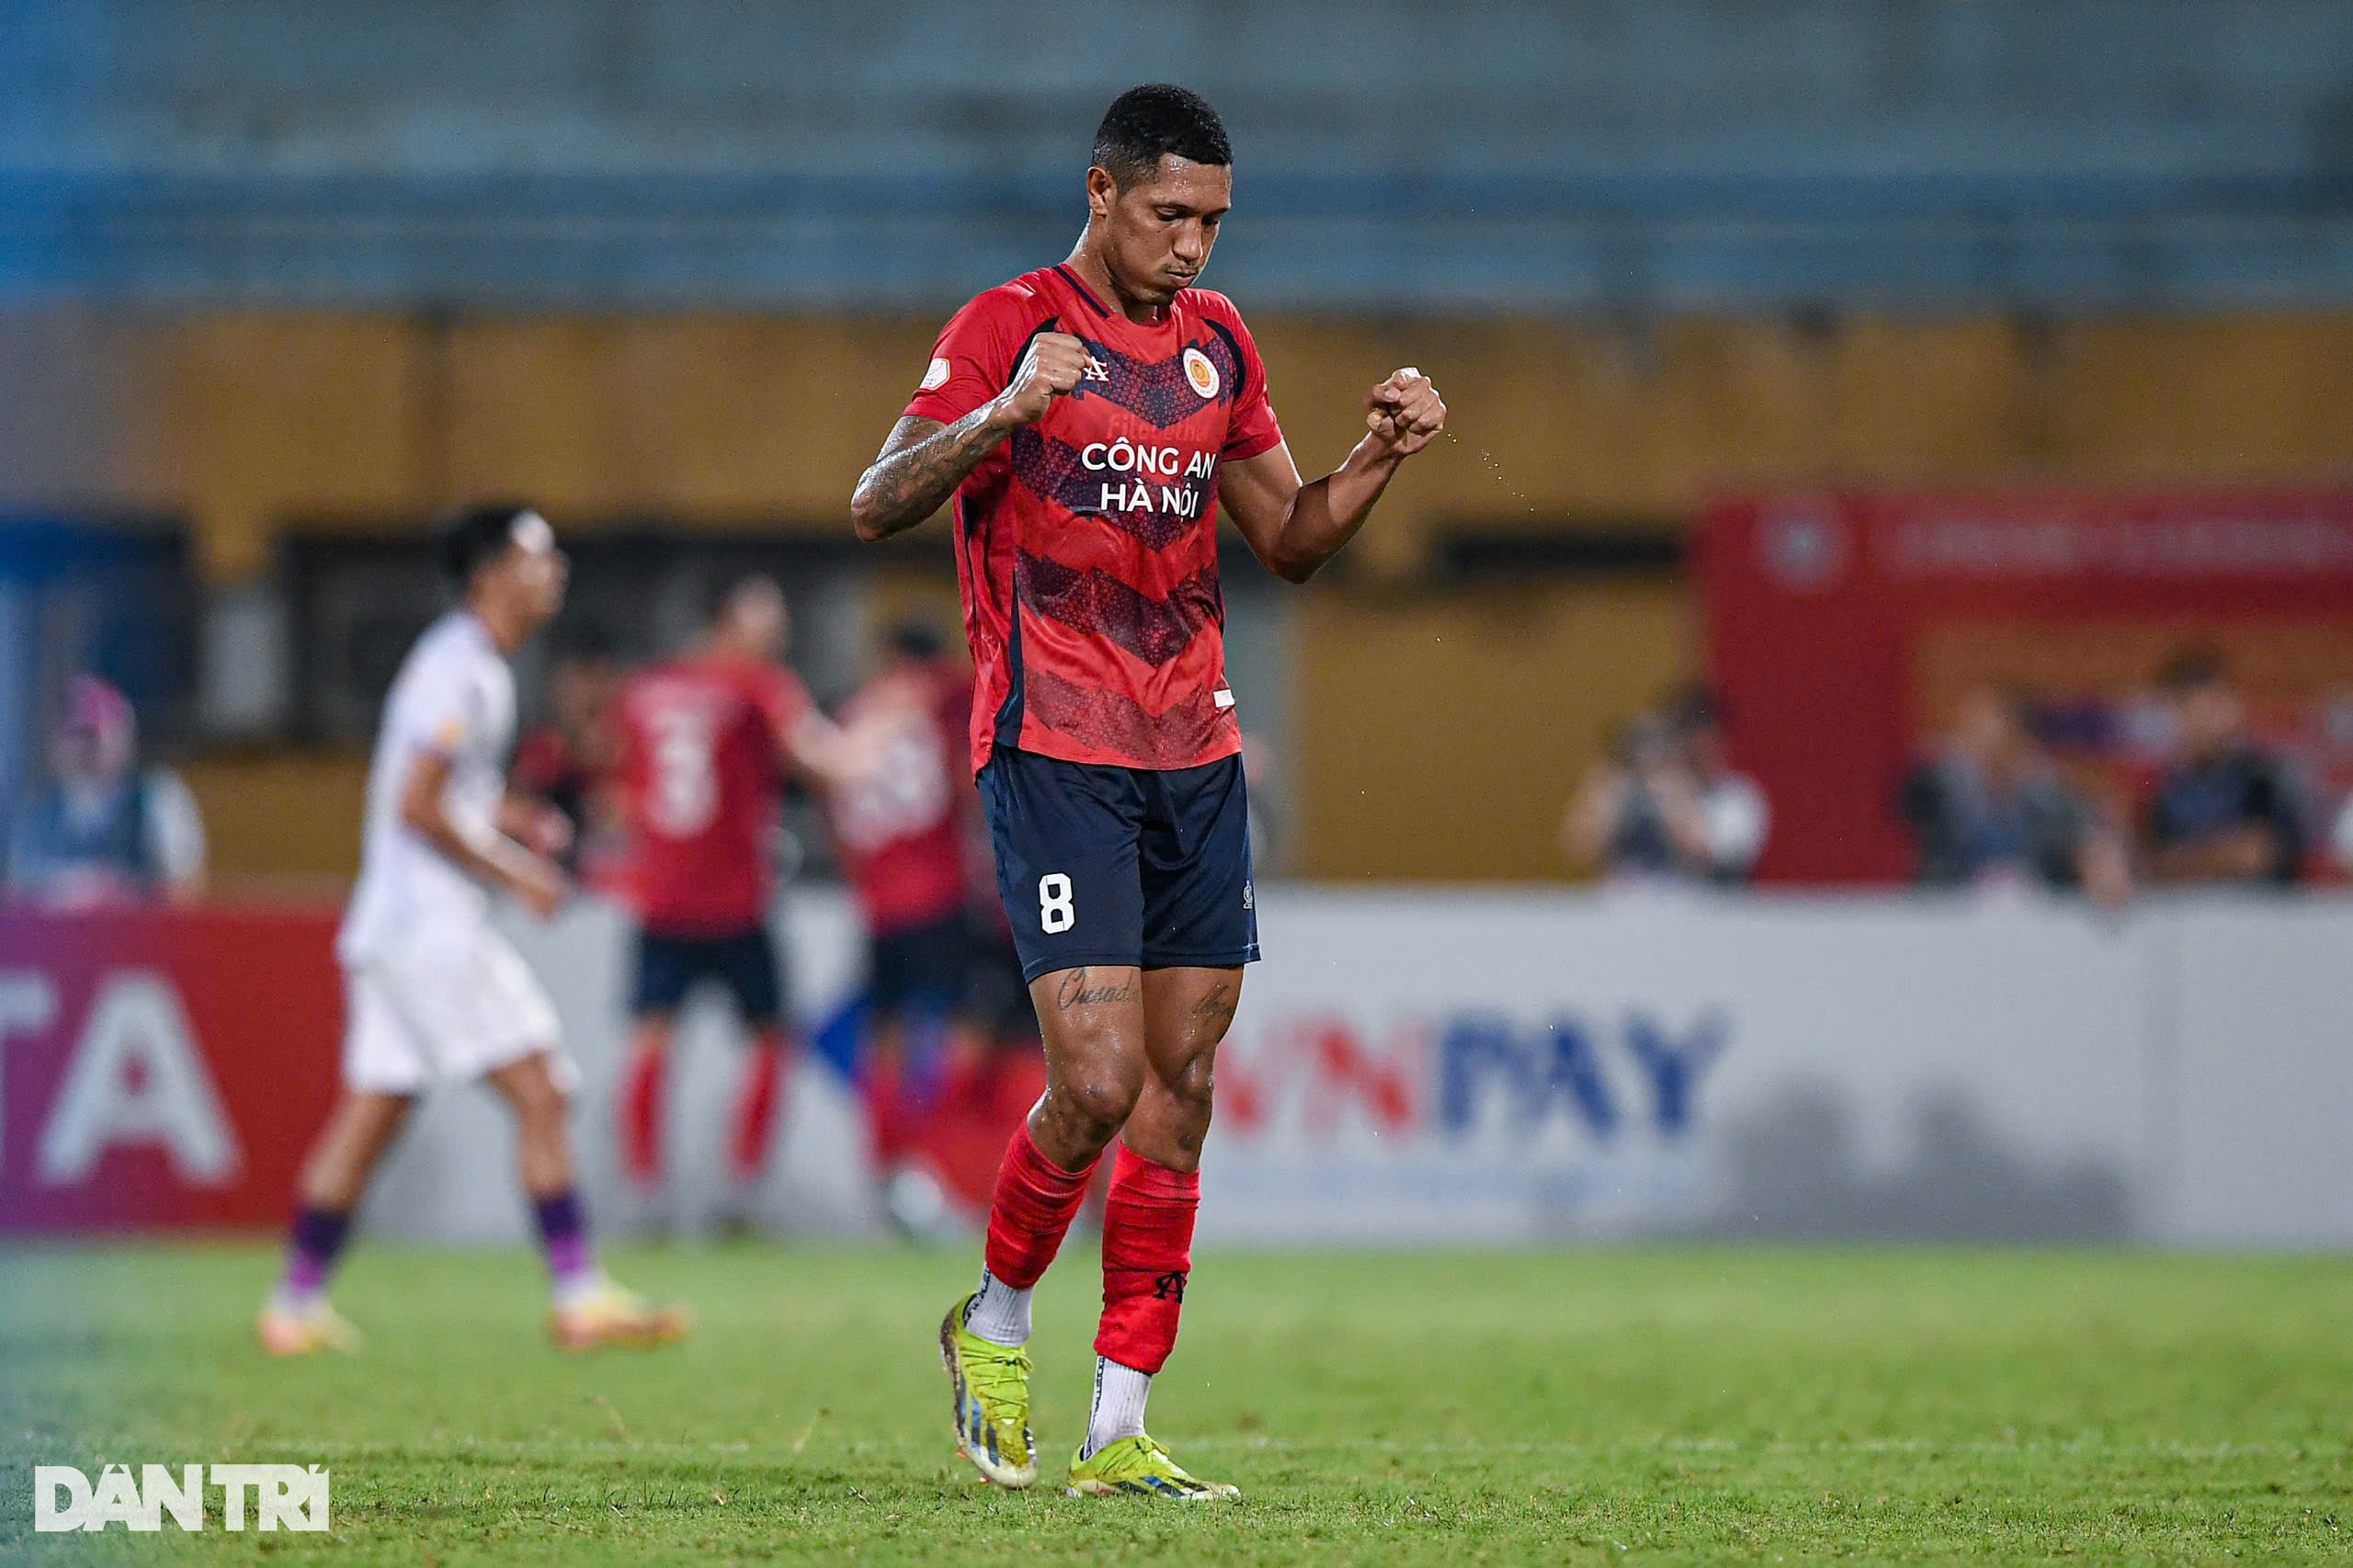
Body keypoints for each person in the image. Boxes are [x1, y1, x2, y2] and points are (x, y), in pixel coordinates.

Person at [849, 84, 1445, 1500]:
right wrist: (1008, 410)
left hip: (1196, 750)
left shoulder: (1220, 341)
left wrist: (1377, 456)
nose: (1195, 247)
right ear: (1103, 191)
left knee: (1181, 1082)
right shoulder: (1008, 323)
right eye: (1172, 216)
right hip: (1054, 746)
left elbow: (1290, 540)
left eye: (1216, 223)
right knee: (1099, 1080)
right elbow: (875, 499)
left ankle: (1121, 1423)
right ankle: (993, 1316)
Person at [259, 503, 685, 1356]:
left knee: (372, 1113)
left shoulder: (465, 666)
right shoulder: (464, 672)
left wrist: (518, 817)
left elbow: (442, 790)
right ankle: (579, 1297)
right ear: (491, 574)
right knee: (544, 1091)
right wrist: (518, 869)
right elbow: (417, 807)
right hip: (429, 928)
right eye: (538, 554)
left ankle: (292, 1308)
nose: (554, 567)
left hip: (390, 927)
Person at [608, 574, 874, 1205]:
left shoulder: (646, 691)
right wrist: (887, 723)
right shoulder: (759, 687)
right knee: (770, 1039)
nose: (777, 628)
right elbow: (829, 766)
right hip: (733, 902)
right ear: (729, 619)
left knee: (652, 1039)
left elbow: (619, 794)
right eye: (766, 614)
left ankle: (644, 1194)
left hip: (661, 898)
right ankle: (741, 1188)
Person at [822, 620, 986, 1221]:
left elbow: (837, 812)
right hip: (939, 893)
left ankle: (888, 1170)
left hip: (879, 904)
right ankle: (925, 1163)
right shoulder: (939, 693)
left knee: (883, 1040)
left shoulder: (853, 715)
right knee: (958, 1031)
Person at [1897, 684, 2131, 906]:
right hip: (1955, 915)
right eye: (1966, 722)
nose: (1967, 731)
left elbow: (2091, 836)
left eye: (1981, 721)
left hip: (2039, 916)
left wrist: (2101, 858)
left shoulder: (2051, 793)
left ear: (2015, 729)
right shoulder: (1941, 784)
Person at [7, 674, 207, 906]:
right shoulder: (38, 814)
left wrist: (114, 893)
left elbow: (185, 890)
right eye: (77, 734)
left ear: (124, 738)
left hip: (136, 938)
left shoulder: (156, 796)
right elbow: (17, 898)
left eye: (99, 735)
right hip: (57, 941)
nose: (89, 748)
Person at [1563, 688, 1768, 885]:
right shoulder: (1631, 787)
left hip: (1701, 913)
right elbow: (1580, 848)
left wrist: (1672, 792)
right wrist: (1611, 783)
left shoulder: (1734, 796)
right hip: (1623, 912)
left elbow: (1703, 855)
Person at [2143, 649, 2304, 886]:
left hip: (2260, 916)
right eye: (2190, 712)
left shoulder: (2265, 777)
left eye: (2213, 709)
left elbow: (2259, 855)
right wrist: (2221, 856)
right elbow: (2153, 865)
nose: (2203, 723)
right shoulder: (2166, 789)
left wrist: (2188, 861)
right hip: (2185, 918)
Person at [510, 621, 622, 879]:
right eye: (584, 676)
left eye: (605, 677)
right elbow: (510, 810)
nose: (594, 693)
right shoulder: (543, 751)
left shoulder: (632, 751)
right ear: (558, 685)